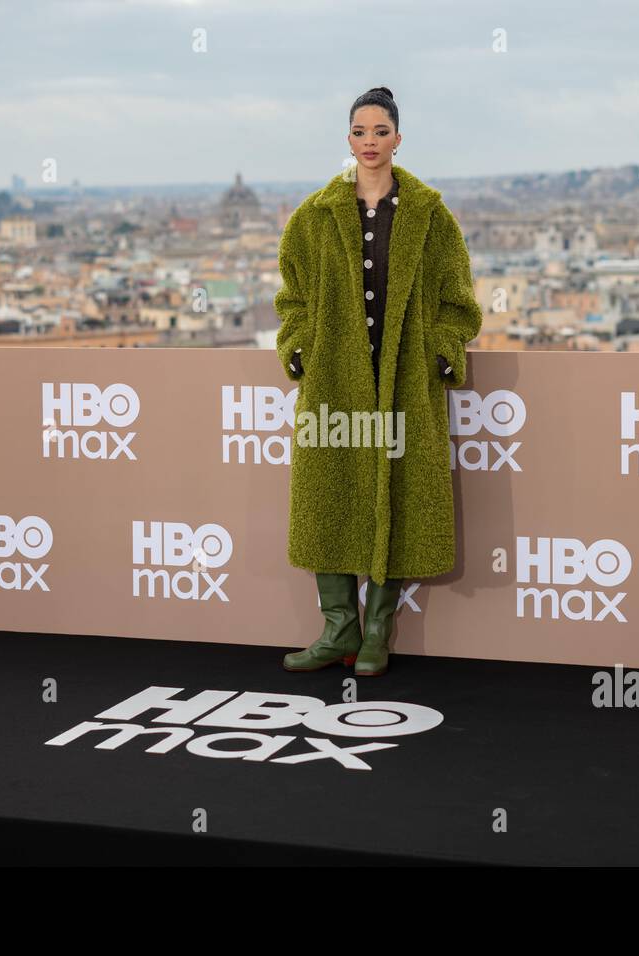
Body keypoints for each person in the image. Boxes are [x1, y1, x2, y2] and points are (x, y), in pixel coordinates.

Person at [274, 86, 483, 677]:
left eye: (380, 132)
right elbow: (292, 295)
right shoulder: (313, 218)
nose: (369, 142)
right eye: (359, 133)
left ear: (397, 138)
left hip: (402, 385)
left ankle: (376, 632)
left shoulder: (430, 217)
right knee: (330, 503)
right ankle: (337, 627)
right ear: (349, 140)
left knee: (396, 498)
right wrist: (300, 347)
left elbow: (456, 300)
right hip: (336, 384)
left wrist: (439, 356)